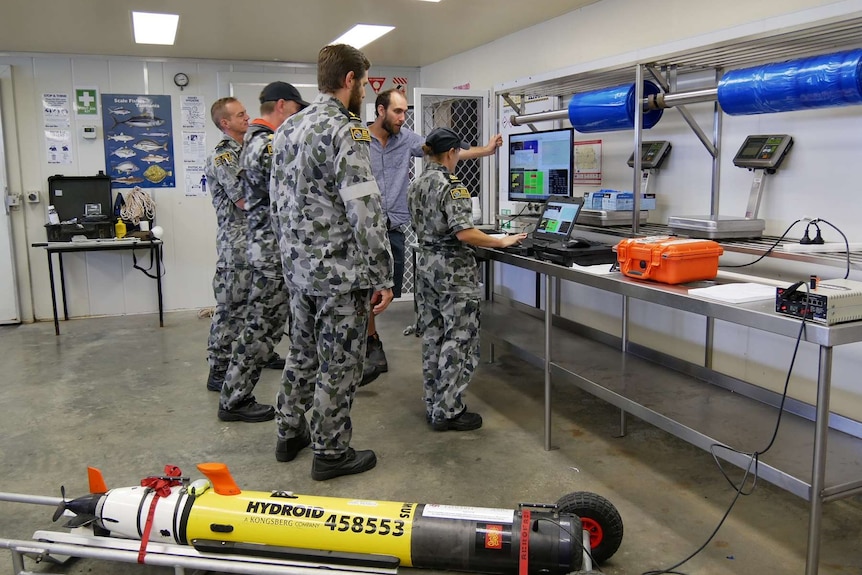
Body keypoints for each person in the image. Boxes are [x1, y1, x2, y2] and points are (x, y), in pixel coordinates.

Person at [269, 44, 394, 480]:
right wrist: (382, 273)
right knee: (340, 362)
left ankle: (288, 431)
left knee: (302, 352)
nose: (362, 89)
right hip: (340, 274)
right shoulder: (347, 129)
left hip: (299, 270)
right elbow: (364, 208)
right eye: (363, 81)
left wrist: (289, 261)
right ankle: (330, 451)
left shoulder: (287, 128)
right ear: (350, 81)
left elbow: (276, 203)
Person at [364, 88, 504, 385]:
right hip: (364, 229)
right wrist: (502, 240)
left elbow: (444, 150)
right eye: (397, 112)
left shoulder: (409, 142)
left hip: (394, 228)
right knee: (364, 291)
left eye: (404, 112)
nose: (403, 118)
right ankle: (369, 343)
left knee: (386, 293)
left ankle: (371, 342)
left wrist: (486, 151)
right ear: (380, 110)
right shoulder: (359, 141)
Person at [408, 127, 527, 431]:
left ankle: (433, 403)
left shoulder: (417, 183)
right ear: (450, 153)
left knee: (434, 335)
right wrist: (502, 241)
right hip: (452, 271)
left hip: (425, 268)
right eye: (458, 153)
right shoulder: (452, 186)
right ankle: (449, 409)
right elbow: (465, 233)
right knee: (459, 337)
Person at [217, 83, 308, 423]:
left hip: (271, 250)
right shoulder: (266, 145)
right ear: (282, 107)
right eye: (297, 111)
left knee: (262, 327)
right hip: (271, 253)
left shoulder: (257, 142)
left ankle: (234, 395)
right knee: (260, 328)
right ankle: (234, 399)